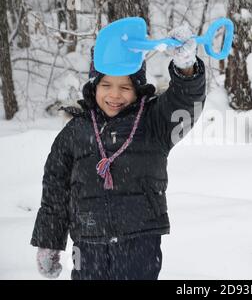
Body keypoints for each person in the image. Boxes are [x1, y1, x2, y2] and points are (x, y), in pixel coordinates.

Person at [30, 24, 206, 280]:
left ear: (137, 89)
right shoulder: (75, 131)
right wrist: (49, 241)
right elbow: (55, 190)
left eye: (125, 87)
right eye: (106, 85)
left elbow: (186, 102)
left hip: (140, 241)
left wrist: (186, 68)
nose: (114, 95)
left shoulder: (154, 122)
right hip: (87, 244)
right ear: (93, 87)